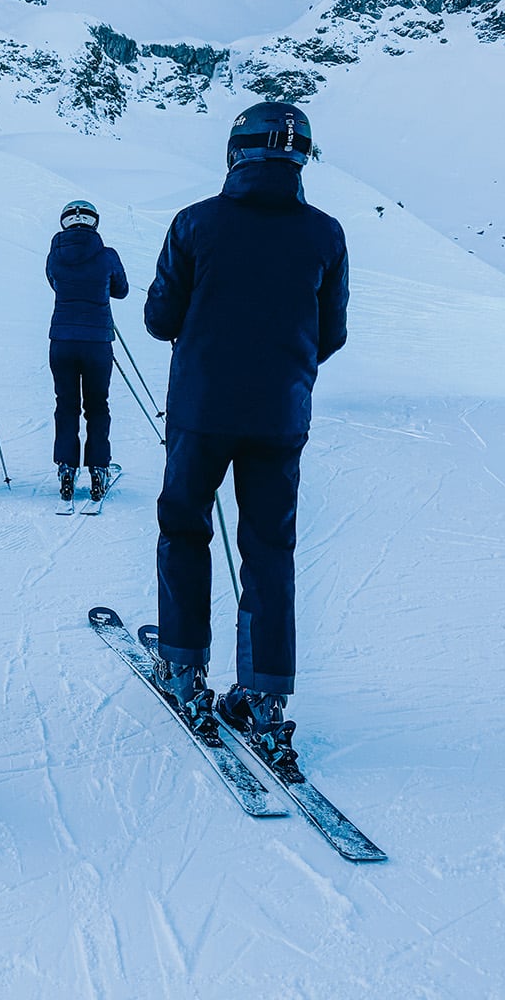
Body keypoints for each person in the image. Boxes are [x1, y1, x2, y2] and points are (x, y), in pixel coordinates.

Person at [141, 101, 348, 777]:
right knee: (269, 551)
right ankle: (263, 694)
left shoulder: (195, 223)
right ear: (299, 159)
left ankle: (182, 664)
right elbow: (332, 333)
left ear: (236, 153)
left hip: (201, 408)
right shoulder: (325, 233)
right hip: (279, 416)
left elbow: (159, 315)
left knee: (184, 529)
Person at [46, 199, 128, 503]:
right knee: (97, 405)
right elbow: (121, 290)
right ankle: (97, 467)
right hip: (97, 341)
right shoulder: (107, 256)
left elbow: (55, 283)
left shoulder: (55, 255)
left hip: (62, 339)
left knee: (65, 404)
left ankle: (67, 467)